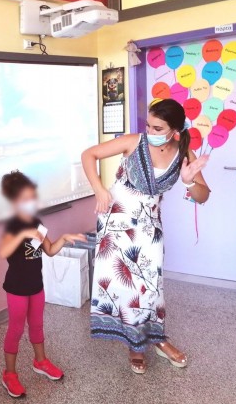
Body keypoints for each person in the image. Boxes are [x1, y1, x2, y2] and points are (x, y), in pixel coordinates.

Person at [81, 98, 210, 374]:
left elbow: (203, 196)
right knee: (126, 286)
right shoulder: (133, 141)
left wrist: (189, 181)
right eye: (148, 125)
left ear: (175, 130)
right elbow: (88, 155)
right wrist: (99, 189)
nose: (150, 131)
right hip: (116, 220)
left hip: (149, 226)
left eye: (158, 128)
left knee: (151, 286)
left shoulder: (184, 152)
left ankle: (158, 338)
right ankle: (135, 345)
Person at [0, 171, 86, 398]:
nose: (31, 202)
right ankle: (9, 374)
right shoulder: (11, 226)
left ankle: (40, 361)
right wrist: (22, 235)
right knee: (16, 330)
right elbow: (3, 252)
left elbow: (49, 250)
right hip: (16, 289)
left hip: (36, 286)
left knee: (37, 325)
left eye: (32, 197)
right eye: (26, 199)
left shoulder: (36, 223)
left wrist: (63, 238)